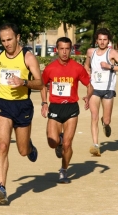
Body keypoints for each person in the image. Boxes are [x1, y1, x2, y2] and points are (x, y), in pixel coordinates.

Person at [0, 23, 43, 205]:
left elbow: (40, 83)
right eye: (3, 40)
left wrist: (23, 82)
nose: (7, 43)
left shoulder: (27, 57)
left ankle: (29, 146)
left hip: (22, 106)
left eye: (10, 39)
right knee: (3, 146)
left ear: (18, 37)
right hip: (3, 105)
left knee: (22, 151)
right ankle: (1, 188)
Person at [40, 37, 93, 183]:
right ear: (57, 50)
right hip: (55, 108)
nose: (64, 52)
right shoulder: (50, 68)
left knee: (68, 144)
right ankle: (59, 142)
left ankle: (64, 170)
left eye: (67, 49)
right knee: (52, 142)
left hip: (71, 108)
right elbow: (42, 85)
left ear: (71, 50)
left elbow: (89, 85)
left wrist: (88, 97)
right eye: (61, 49)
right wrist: (44, 103)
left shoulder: (77, 67)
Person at [84, 28, 118, 156]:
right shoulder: (90, 52)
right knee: (94, 116)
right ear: (96, 40)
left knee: (107, 119)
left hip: (108, 89)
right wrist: (87, 72)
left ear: (108, 40)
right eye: (100, 39)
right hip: (94, 89)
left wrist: (110, 66)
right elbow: (86, 65)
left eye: (105, 40)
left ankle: (106, 123)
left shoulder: (112, 53)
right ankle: (96, 145)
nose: (102, 42)